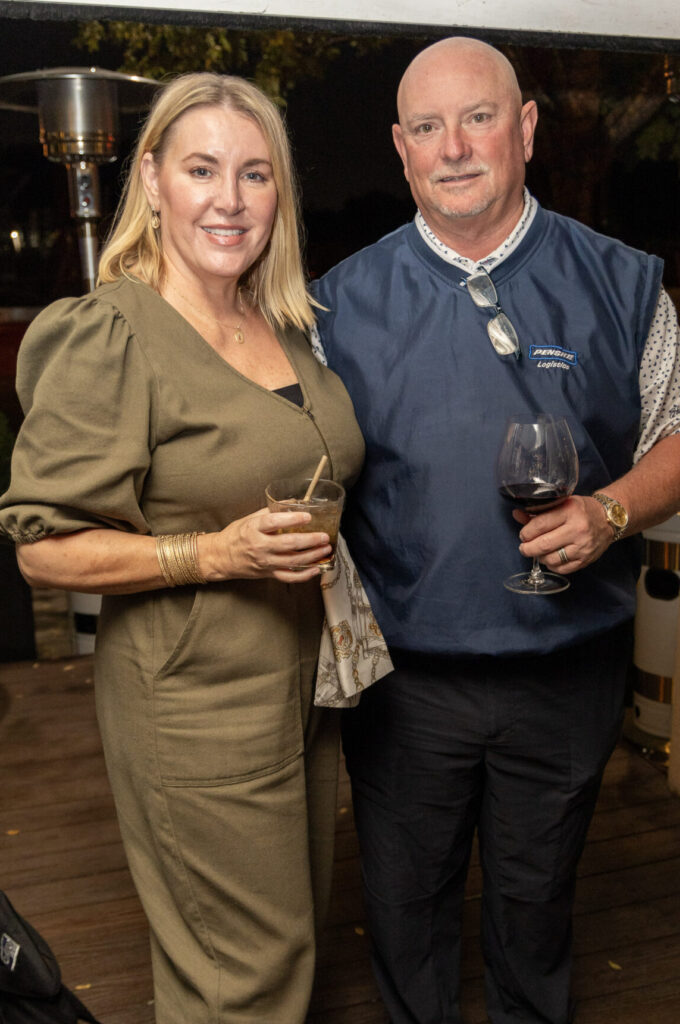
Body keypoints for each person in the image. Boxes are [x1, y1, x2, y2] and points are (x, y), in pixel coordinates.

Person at [311, 37, 680, 1024]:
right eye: (427, 127)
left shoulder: (617, 281)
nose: (453, 147)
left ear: (526, 128)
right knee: (404, 915)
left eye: (478, 117)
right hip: (404, 686)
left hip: (565, 674)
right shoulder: (336, 303)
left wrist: (610, 512)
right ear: (402, 148)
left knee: (535, 914)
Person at [0, 73, 364, 1024]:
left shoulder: (281, 324)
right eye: (202, 170)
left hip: (303, 686)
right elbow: (44, 551)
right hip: (195, 703)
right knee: (244, 976)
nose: (229, 200)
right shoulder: (111, 334)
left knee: (281, 956)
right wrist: (213, 555)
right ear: (153, 181)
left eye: (255, 174)